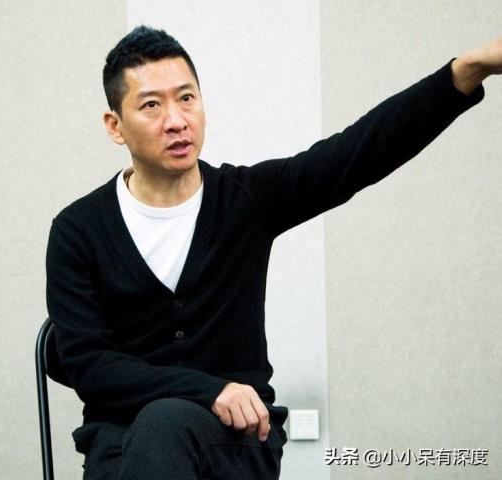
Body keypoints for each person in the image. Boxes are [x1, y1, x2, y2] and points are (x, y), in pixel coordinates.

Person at [45, 25, 499, 479]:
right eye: (152, 105)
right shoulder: (78, 230)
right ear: (115, 126)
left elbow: (359, 152)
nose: (177, 120)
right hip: (121, 444)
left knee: (166, 424)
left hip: (236, 439)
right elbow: (90, 366)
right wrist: (209, 390)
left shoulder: (246, 200)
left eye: (186, 98)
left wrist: (468, 69)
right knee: (160, 428)